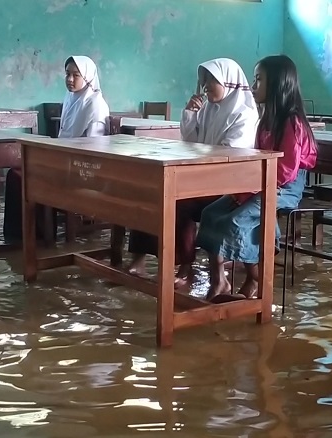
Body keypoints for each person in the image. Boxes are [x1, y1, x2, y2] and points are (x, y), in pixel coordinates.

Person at [126, 58, 260, 287]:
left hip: (228, 184)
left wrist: (199, 166)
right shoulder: (208, 108)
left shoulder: (244, 114)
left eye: (210, 80)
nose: (205, 86)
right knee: (153, 192)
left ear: (227, 81)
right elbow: (191, 142)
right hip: (204, 175)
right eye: (203, 81)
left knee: (179, 201)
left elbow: (229, 156)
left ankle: (184, 265)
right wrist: (189, 114)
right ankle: (139, 258)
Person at [196, 55, 317, 300]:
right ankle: (220, 282)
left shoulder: (291, 122)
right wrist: (246, 187)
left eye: (259, 80)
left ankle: (257, 280)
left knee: (237, 220)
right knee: (210, 213)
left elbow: (285, 171)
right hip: (261, 179)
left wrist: (251, 188)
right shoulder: (265, 121)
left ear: (278, 84)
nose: (253, 86)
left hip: (285, 186)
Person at [3, 56, 110, 240]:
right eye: (67, 74)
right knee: (15, 174)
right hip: (64, 162)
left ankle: (41, 235)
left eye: (76, 75)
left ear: (88, 78)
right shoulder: (71, 98)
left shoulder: (95, 105)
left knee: (26, 177)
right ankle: (22, 234)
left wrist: (63, 162)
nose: (69, 79)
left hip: (83, 169)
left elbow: (95, 149)